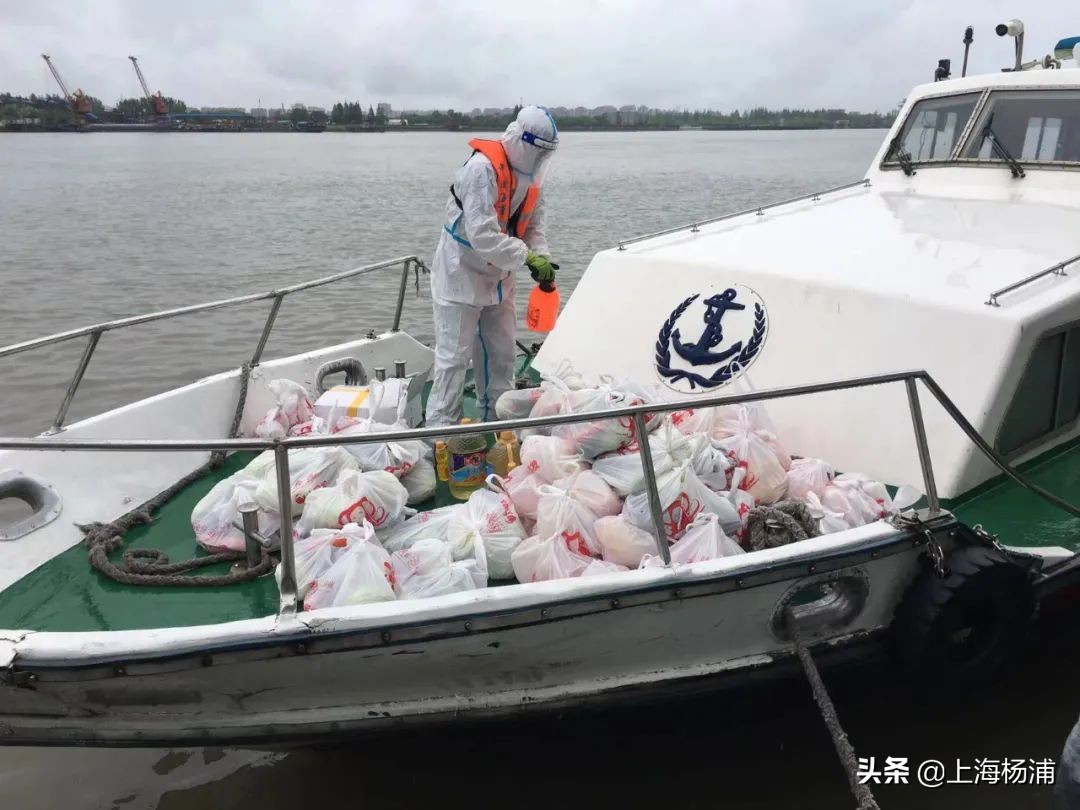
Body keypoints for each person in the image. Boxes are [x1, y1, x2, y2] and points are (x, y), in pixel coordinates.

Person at [426, 105, 559, 426]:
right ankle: (439, 437)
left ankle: (501, 429)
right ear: (520, 140)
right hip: (460, 277)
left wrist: (542, 257)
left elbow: (533, 228)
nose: (540, 160)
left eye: (546, 154)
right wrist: (526, 257)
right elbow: (483, 235)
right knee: (453, 362)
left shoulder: (531, 178)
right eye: (537, 151)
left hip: (499, 281)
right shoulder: (481, 170)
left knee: (502, 358)